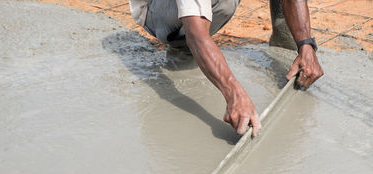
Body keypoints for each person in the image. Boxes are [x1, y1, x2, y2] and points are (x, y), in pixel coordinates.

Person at [129, 0, 324, 137]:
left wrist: (305, 45)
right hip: (155, 10)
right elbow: (196, 35)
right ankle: (182, 46)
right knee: (221, 6)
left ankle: (200, 44)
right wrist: (234, 95)